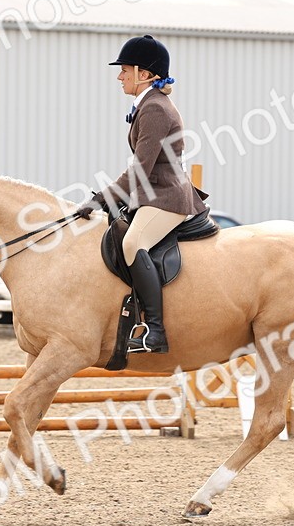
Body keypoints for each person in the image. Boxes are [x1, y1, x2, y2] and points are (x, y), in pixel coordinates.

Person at [75, 35, 207, 354]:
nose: (120, 76)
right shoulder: (147, 105)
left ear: (144, 74)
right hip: (153, 193)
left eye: (125, 70)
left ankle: (155, 331)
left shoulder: (155, 109)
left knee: (133, 243)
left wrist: (102, 198)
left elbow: (140, 169)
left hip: (166, 196)